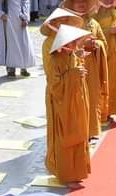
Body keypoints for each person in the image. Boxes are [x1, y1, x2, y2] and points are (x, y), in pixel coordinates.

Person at [43, 17, 92, 186]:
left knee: (79, 134)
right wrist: (73, 76)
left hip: (76, 103)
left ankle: (77, 171)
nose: (76, 45)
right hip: (62, 104)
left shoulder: (73, 55)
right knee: (66, 138)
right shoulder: (55, 60)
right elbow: (54, 85)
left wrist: (79, 71)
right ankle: (66, 175)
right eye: (73, 42)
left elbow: (77, 73)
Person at [0, 0, 34, 77]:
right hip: (7, 18)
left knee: (23, 42)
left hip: (20, 17)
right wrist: (1, 13)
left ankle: (23, 67)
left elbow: (26, 2)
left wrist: (25, 17)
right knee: (11, 43)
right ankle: (11, 67)